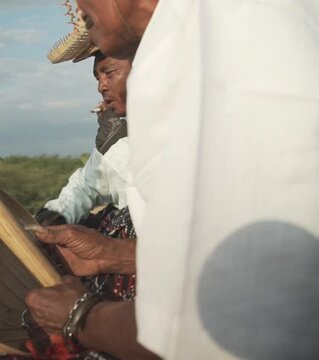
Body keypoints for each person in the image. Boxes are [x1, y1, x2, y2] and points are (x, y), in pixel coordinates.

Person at [26, 0, 319, 359]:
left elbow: (226, 329)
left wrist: (81, 316)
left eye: (110, 71)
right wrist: (118, 255)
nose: (77, 6)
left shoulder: (231, 45)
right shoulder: (198, 44)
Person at [36, 51, 131, 227]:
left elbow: (158, 192)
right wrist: (58, 213)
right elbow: (86, 186)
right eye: (98, 78)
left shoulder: (185, 123)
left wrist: (116, 142)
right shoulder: (120, 129)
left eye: (109, 73)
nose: (101, 87)